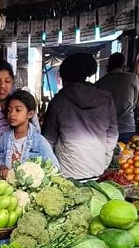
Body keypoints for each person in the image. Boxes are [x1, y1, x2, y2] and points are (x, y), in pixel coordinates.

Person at [43, 53, 119, 181]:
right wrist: (103, 161)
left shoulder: (58, 102)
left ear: (64, 76)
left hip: (67, 174)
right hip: (97, 170)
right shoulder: (107, 100)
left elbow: (48, 141)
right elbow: (112, 136)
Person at [0, 90, 59, 180]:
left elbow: (55, 169)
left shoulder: (39, 141)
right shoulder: (4, 139)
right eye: (9, 110)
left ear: (30, 114)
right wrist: (1, 168)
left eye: (18, 110)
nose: (12, 114)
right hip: (8, 190)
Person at [95, 53, 139, 143]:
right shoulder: (132, 78)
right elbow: (135, 101)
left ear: (108, 65)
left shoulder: (100, 82)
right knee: (128, 155)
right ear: (123, 65)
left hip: (107, 129)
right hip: (126, 127)